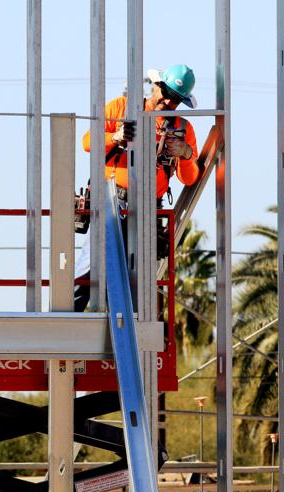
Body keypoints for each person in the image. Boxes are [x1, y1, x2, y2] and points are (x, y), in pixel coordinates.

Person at [74, 64, 201, 312]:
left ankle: (127, 327)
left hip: (147, 210)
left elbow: (190, 178)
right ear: (156, 86)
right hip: (111, 201)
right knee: (90, 265)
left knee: (135, 277)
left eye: (175, 100)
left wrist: (185, 153)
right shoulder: (121, 108)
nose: (167, 101)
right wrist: (116, 137)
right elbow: (88, 142)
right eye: (165, 93)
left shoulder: (183, 129)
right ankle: (65, 323)